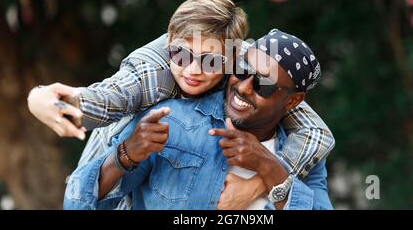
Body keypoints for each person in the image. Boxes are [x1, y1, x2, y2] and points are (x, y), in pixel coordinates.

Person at [28, 0, 334, 187]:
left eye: (211, 61)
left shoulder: (249, 66)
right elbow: (103, 101)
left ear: (232, 56)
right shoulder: (153, 70)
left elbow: (317, 134)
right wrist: (41, 98)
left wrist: (262, 181)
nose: (192, 70)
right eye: (181, 55)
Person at [63, 30, 332, 210]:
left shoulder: (302, 158)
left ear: (293, 100)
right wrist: (125, 155)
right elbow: (77, 201)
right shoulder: (171, 120)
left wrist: (267, 167)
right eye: (241, 70)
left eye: (264, 85)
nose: (244, 87)